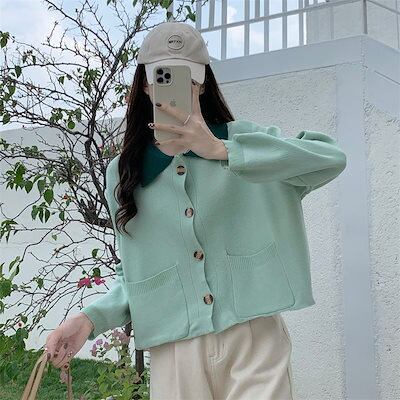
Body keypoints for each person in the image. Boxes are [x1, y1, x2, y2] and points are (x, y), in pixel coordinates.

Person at [45, 21, 347, 399]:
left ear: (203, 83)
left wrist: (223, 151)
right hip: (174, 349)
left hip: (254, 337)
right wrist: (89, 320)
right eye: (163, 76)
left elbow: (330, 158)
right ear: (145, 84)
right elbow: (135, 274)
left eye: (188, 76)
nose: (176, 87)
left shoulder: (245, 143)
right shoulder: (125, 173)